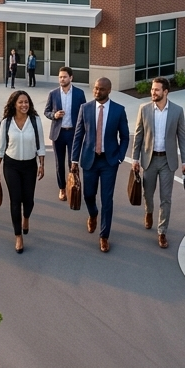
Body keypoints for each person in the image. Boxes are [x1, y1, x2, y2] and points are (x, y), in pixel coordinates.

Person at [70, 77, 129, 253]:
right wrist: (74, 160)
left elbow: (125, 137)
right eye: (95, 88)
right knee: (88, 195)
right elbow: (78, 135)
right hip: (89, 159)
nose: (97, 92)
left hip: (109, 161)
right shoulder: (85, 108)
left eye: (101, 89)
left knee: (107, 199)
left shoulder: (119, 111)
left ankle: (104, 236)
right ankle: (93, 214)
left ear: (109, 90)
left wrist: (120, 157)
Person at [131, 77, 185, 249]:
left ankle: (162, 231)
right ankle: (149, 212)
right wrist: (134, 158)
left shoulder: (177, 111)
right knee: (147, 194)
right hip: (149, 160)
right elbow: (139, 135)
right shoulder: (144, 109)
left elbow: (182, 138)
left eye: (156, 90)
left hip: (167, 161)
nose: (153, 92)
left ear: (165, 92)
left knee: (166, 198)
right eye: (152, 89)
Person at [0, 90, 44, 254]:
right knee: (15, 201)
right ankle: (18, 236)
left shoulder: (35, 121)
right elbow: (0, 148)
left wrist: (41, 164)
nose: (24, 105)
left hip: (30, 165)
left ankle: (26, 218)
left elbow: (41, 145)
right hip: (11, 165)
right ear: (14, 104)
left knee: (28, 200)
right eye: (21, 102)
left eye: (26, 102)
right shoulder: (7, 122)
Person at [44, 67, 85, 201]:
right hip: (58, 134)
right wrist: (54, 115)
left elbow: (85, 113)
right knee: (59, 163)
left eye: (65, 77)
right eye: (60, 77)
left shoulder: (79, 93)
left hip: (73, 133)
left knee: (72, 162)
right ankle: (62, 188)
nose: (62, 79)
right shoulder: (53, 93)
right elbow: (46, 111)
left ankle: (74, 186)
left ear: (71, 78)